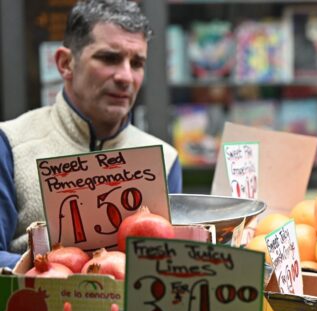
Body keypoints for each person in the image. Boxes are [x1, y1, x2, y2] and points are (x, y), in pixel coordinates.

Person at [0, 0, 182, 268]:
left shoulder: (165, 159)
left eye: (137, 63)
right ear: (65, 63)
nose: (125, 76)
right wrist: (63, 274)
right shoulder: (11, 142)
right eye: (109, 58)